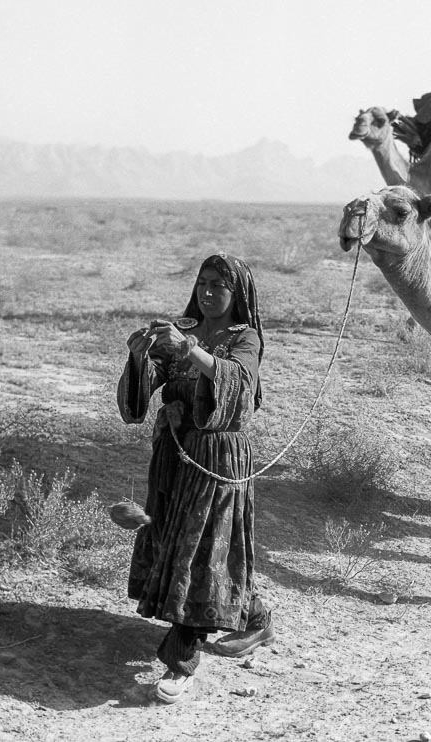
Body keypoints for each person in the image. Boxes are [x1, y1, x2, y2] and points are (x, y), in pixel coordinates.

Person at [117, 254, 275, 704]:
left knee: (200, 550)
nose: (207, 292)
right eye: (202, 282)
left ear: (237, 293)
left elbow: (240, 385)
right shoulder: (183, 329)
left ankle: (181, 661)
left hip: (219, 458)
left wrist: (189, 350)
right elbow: (144, 391)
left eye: (218, 286)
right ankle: (255, 617)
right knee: (177, 541)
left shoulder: (245, 337)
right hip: (175, 455)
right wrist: (139, 356)